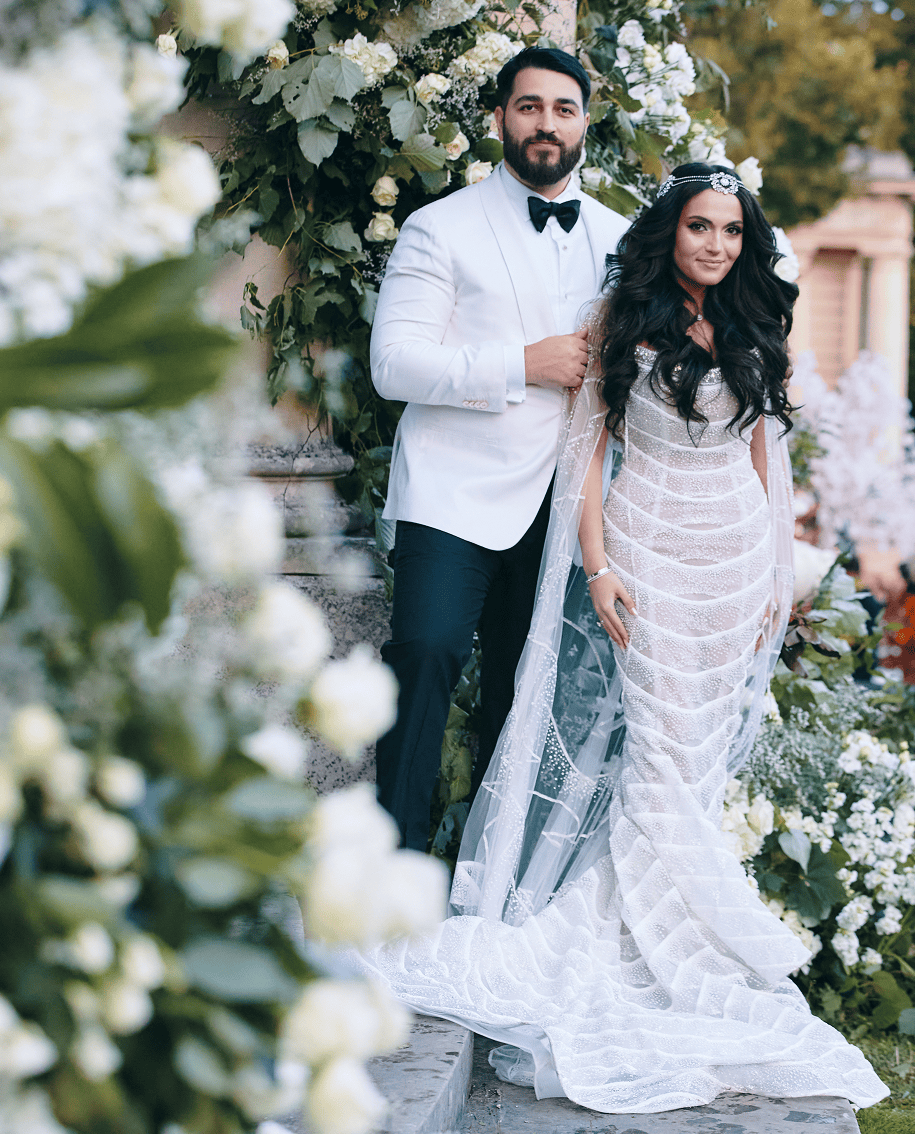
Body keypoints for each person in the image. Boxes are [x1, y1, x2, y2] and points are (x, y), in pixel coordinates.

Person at [360, 163, 888, 1112]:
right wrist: (600, 569)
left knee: (693, 759)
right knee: (655, 750)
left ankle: (678, 935)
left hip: (730, 561)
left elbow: (769, 449)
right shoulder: (622, 318)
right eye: (700, 228)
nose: (716, 246)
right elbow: (588, 450)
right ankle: (634, 936)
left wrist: (775, 571)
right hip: (644, 550)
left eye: (731, 231)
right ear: (671, 233)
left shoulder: (758, 321)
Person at [370, 47, 629, 853]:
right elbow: (393, 365)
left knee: (526, 698)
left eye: (562, 108)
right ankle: (394, 873)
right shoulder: (437, 227)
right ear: (499, 120)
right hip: (453, 495)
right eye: (528, 107)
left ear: (585, 122)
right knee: (425, 657)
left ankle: (492, 887)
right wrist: (522, 364)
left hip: (563, 507)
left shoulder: (626, 242)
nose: (545, 123)